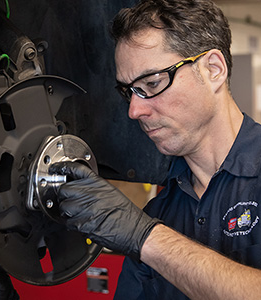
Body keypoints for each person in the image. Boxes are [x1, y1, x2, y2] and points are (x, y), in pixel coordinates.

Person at [48, 0, 261, 299]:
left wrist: (148, 238)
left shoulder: (147, 229)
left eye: (152, 82)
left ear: (214, 69)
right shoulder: (160, 211)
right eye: (129, 92)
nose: (134, 110)